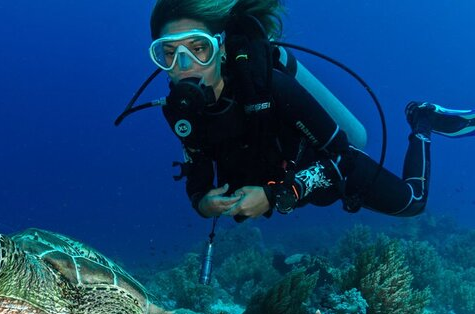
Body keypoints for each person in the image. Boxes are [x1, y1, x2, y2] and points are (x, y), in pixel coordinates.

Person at [147, 0, 475, 221]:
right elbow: (199, 171)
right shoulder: (180, 112)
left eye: (198, 48)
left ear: (219, 48)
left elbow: (342, 156)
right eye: (169, 54)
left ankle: (423, 120)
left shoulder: (271, 87)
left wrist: (278, 195)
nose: (185, 66)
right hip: (281, 182)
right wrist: (203, 204)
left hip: (333, 170)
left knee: (413, 204)